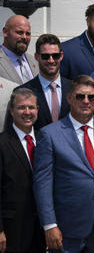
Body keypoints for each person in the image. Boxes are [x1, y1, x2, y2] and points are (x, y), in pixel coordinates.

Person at [33, 75, 94, 253]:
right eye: (80, 96)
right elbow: (42, 183)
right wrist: (49, 225)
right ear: (69, 98)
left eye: (91, 97)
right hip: (66, 228)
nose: (86, 101)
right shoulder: (49, 134)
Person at [0, 89, 45, 253]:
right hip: (12, 231)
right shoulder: (2, 143)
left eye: (31, 107)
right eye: (21, 107)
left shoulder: (45, 139)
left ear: (37, 110)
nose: (27, 112)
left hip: (42, 230)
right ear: (11, 110)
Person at [4, 34, 70, 130]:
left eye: (55, 56)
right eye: (45, 56)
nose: (51, 61)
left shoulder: (74, 89)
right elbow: (11, 133)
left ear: (61, 56)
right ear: (36, 57)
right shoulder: (22, 91)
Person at [0, 15, 38, 84]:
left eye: (28, 34)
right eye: (19, 32)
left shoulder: (35, 62)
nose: (24, 37)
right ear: (5, 32)